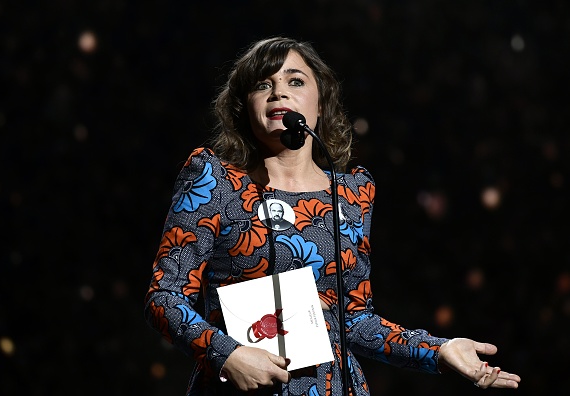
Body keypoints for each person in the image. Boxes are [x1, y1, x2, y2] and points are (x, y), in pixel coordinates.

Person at [144, 36, 521, 395]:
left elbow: (355, 320)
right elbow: (165, 296)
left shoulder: (351, 195)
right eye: (263, 84)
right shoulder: (215, 180)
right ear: (245, 107)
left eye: (295, 80)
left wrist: (438, 350)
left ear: (320, 104)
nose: (279, 92)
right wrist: (226, 355)